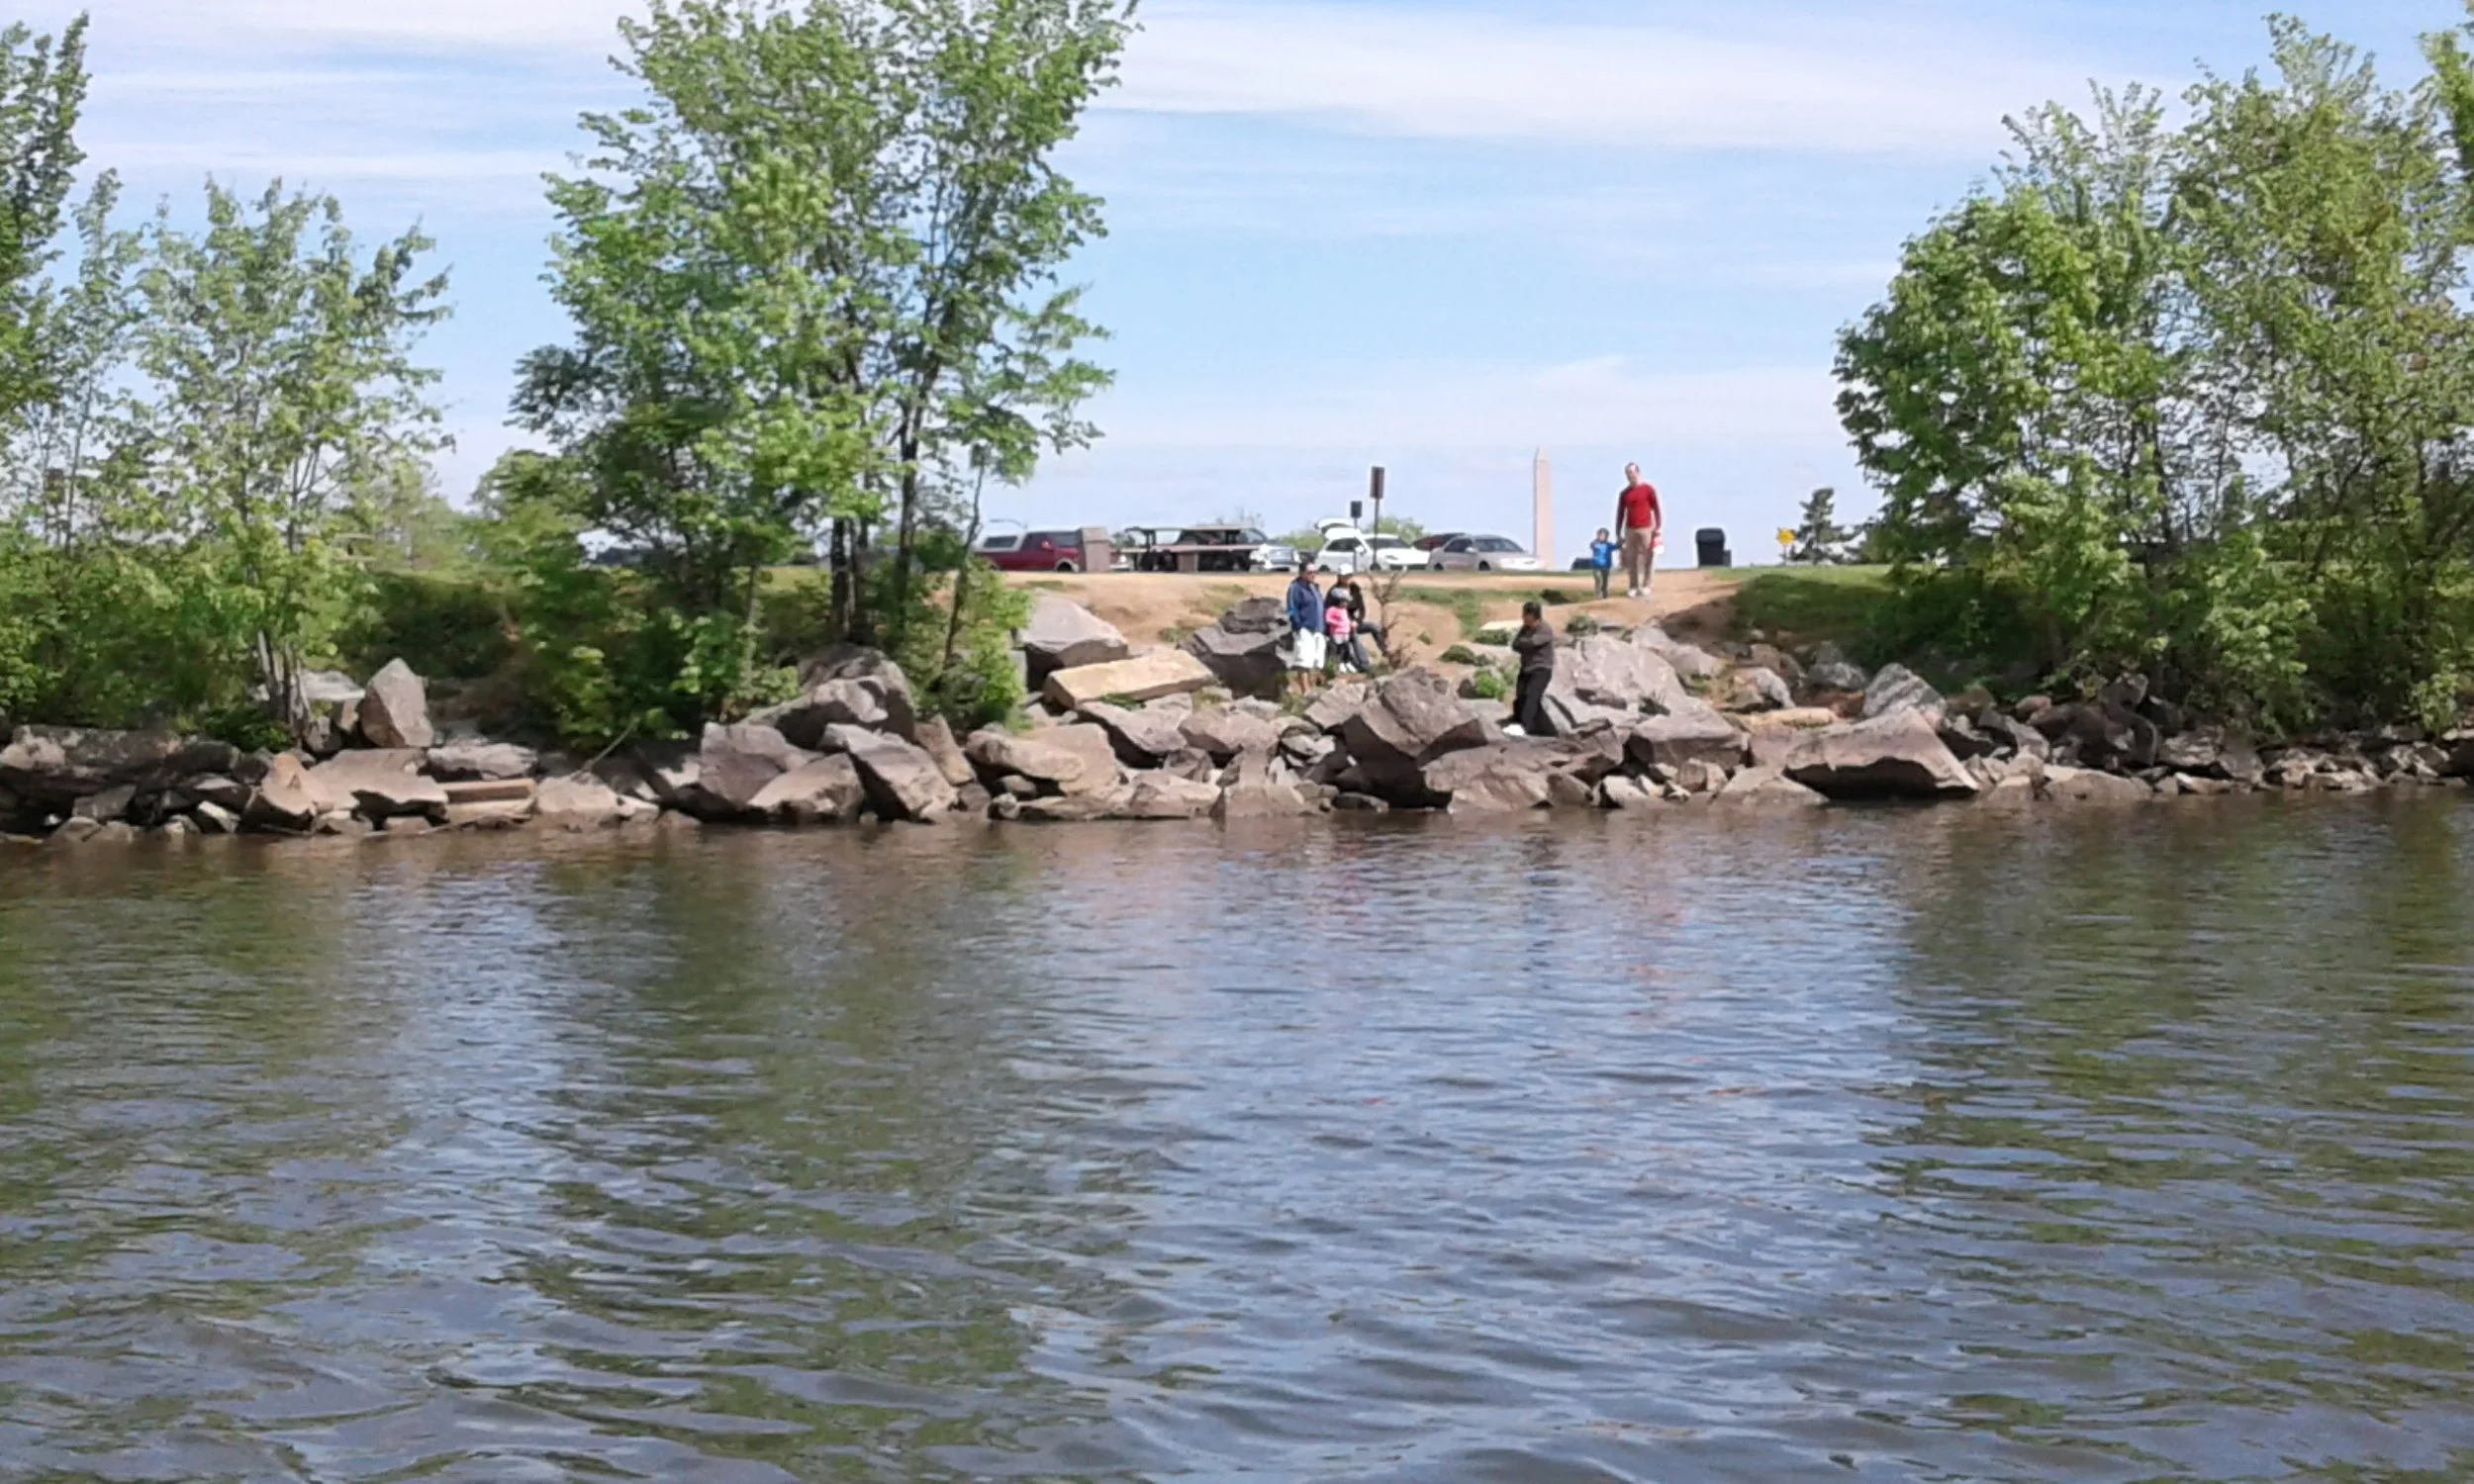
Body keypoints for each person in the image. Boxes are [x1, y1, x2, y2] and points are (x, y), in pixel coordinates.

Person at [1616, 463, 1663, 601]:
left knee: (1648, 556)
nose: (1630, 475)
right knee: (1632, 558)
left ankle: (1646, 584)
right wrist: (1618, 532)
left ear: (1638, 472)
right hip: (1630, 528)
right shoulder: (1624, 494)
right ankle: (1633, 586)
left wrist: (1658, 526)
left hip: (1646, 527)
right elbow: (1620, 513)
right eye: (1627, 473)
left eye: (1631, 472)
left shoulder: (1648, 489)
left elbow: (1656, 508)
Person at [1509, 601, 1556, 738]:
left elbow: (1530, 644)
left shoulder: (1545, 629)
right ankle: (1520, 722)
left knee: (1531, 696)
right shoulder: (1525, 629)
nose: (1522, 617)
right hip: (1526, 668)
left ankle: (1526, 727)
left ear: (1532, 616)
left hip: (1541, 668)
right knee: (1520, 696)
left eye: (1525, 615)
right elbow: (1515, 644)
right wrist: (1524, 643)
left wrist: (1524, 643)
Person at [1285, 565, 1328, 694]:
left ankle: (1313, 688)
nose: (1313, 574)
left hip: (1318, 628)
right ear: (1302, 573)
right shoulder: (1295, 588)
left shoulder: (1315, 587)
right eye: (1310, 572)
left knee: (1316, 660)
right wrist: (1298, 625)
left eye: (1315, 572)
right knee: (1304, 660)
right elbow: (1291, 609)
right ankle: (1305, 691)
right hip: (1304, 629)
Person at [1325, 593, 1364, 673]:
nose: (1345, 603)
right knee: (1334, 650)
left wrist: (1350, 624)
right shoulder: (1332, 609)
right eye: (1343, 601)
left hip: (1345, 634)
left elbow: (1346, 620)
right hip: (1336, 633)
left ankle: (1343, 664)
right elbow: (1328, 619)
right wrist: (1337, 623)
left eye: (1346, 602)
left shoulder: (1344, 611)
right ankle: (1332, 667)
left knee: (1344, 650)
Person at [1589, 526, 1618, 601]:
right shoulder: (1595, 544)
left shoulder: (1609, 545)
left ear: (1606, 536)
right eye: (1600, 535)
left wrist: (1621, 542)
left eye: (1603, 535)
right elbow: (1591, 546)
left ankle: (1605, 596)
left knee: (1605, 582)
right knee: (1599, 580)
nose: (1601, 537)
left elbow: (1617, 546)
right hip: (1596, 566)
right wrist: (1595, 541)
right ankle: (1598, 595)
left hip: (1606, 566)